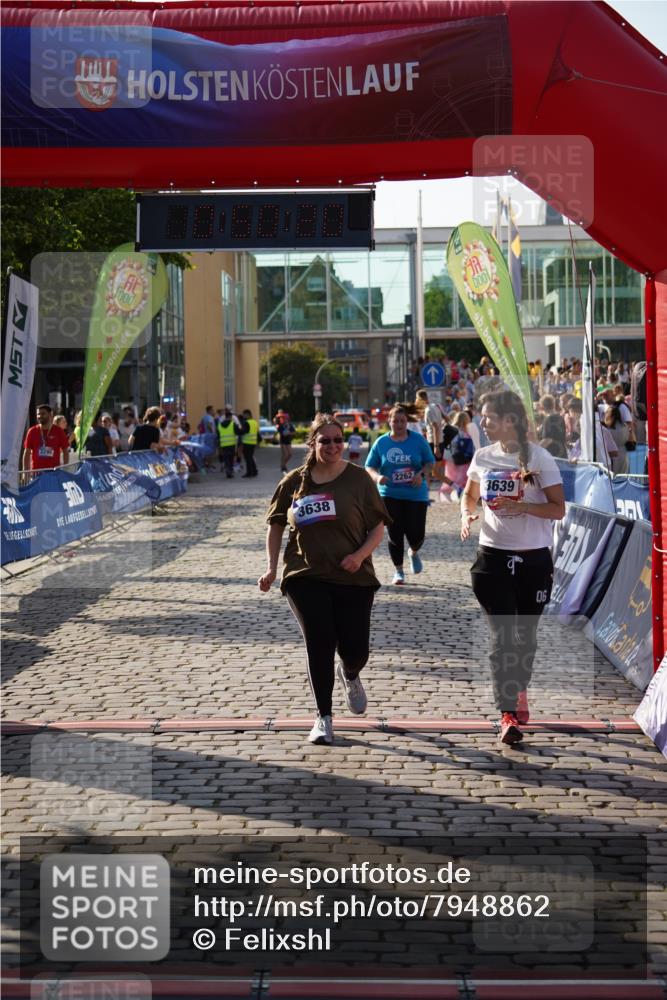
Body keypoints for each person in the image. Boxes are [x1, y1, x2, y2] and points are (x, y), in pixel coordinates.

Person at [259, 414, 390, 746]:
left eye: (337, 440)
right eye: (325, 441)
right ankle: (324, 717)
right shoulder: (293, 481)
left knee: (355, 648)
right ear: (313, 444)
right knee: (320, 642)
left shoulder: (359, 479)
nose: (332, 446)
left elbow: (378, 526)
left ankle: (349, 672)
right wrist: (272, 568)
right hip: (305, 573)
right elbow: (275, 526)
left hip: (353, 575)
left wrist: (359, 556)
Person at [460, 390, 565, 746]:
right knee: (502, 637)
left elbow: (558, 509)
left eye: (488, 417)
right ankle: (506, 713)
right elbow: (470, 494)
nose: (483, 423)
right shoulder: (482, 456)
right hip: (491, 558)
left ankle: (519, 687)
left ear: (509, 420)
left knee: (525, 638)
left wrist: (524, 508)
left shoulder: (540, 458)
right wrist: (466, 514)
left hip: (534, 558)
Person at [365, 404, 434, 585]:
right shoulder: (381, 443)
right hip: (389, 494)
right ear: (389, 422)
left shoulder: (418, 440)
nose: (399, 424)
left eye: (402, 421)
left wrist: (421, 474)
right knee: (395, 533)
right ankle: (398, 571)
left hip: (416, 494)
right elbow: (369, 466)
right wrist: (377, 476)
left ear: (407, 422)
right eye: (395, 421)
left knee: (416, 533)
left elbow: (429, 462)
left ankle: (413, 551)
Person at [22, 403, 70, 476]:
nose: (40, 416)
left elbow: (65, 451)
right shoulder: (32, 431)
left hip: (54, 474)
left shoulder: (59, 431)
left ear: (50, 414)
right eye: (38, 414)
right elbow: (27, 453)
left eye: (43, 413)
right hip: (37, 474)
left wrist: (65, 469)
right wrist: (25, 473)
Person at [217, 407, 239, 478]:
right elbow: (237, 432)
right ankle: (230, 471)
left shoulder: (220, 425)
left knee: (226, 458)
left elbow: (218, 434)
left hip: (223, 444)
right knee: (231, 458)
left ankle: (227, 471)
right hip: (231, 444)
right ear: (230, 417)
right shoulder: (233, 424)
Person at [274, 409, 295, 473]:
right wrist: (278, 416)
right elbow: (275, 421)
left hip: (288, 440)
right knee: (285, 454)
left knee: (290, 454)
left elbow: (293, 432)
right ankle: (283, 466)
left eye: (285, 418)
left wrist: (289, 433)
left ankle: (283, 465)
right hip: (282, 440)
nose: (283, 419)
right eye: (282, 417)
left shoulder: (289, 425)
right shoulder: (279, 425)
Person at [240, 408, 259, 478]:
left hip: (247, 442)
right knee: (250, 457)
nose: (243, 416)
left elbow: (244, 431)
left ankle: (249, 472)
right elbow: (257, 432)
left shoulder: (246, 422)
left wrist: (240, 430)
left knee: (248, 458)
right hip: (253, 442)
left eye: (244, 415)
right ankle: (254, 471)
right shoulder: (254, 422)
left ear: (247, 415)